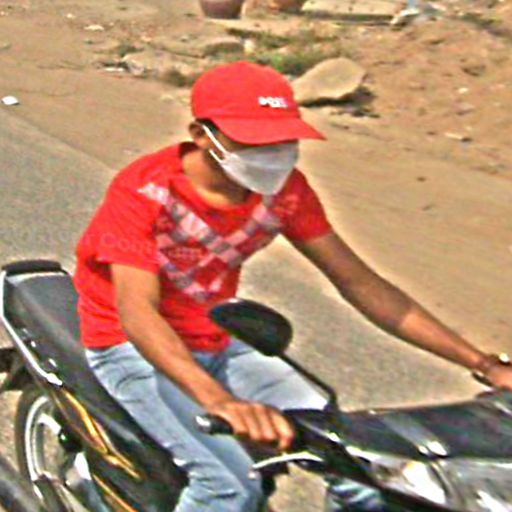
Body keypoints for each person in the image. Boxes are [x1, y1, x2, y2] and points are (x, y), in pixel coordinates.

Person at [73, 61, 512, 512]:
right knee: (228, 487)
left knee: (363, 466)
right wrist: (221, 402)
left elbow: (359, 282)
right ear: (202, 135)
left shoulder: (286, 194)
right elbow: (137, 310)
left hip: (217, 338)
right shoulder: (145, 192)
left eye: (283, 141)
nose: (274, 154)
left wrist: (483, 364)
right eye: (254, 141)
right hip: (129, 346)